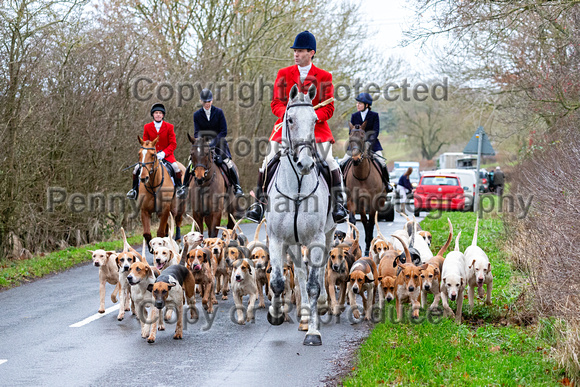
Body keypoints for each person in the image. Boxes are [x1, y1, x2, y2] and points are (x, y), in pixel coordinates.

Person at [245, 30, 348, 223]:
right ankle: (259, 204)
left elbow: (329, 108)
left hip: (315, 130)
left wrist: (310, 117)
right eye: (295, 51)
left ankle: (338, 205)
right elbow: (276, 103)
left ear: (311, 52)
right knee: (267, 160)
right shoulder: (283, 74)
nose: (296, 54)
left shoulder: (324, 76)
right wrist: (291, 116)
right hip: (287, 129)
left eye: (300, 51)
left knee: (331, 162)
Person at [176, 88, 243, 198]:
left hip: (219, 144)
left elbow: (223, 131)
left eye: (209, 101)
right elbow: (197, 132)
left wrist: (212, 143)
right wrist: (201, 142)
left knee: (228, 163)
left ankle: (237, 187)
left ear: (212, 101)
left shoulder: (219, 112)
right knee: (191, 163)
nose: (207, 104)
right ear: (201, 101)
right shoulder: (196, 115)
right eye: (205, 102)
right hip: (202, 144)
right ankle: (184, 188)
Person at [127, 103, 183, 200]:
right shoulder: (147, 127)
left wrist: (164, 153)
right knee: (136, 169)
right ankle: (134, 191)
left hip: (167, 156)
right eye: (156, 113)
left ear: (163, 115)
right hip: (150, 156)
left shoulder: (169, 127)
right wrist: (152, 152)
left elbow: (173, 144)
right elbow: (145, 143)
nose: (158, 115)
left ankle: (179, 189)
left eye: (160, 113)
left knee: (176, 168)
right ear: (153, 114)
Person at [340, 92, 391, 192]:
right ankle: (341, 185)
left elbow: (376, 131)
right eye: (357, 103)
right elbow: (351, 132)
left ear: (366, 105)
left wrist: (368, 143)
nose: (357, 105)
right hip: (356, 146)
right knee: (342, 162)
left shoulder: (374, 115)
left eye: (360, 103)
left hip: (372, 145)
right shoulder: (354, 116)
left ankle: (387, 183)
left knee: (382, 163)